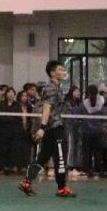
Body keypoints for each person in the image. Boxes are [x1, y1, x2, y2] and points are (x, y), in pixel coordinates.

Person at [19, 60, 75, 198]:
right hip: (54, 128)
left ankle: (26, 182)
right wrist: (42, 127)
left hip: (53, 128)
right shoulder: (51, 88)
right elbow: (46, 107)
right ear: (52, 73)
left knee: (42, 157)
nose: (63, 72)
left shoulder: (57, 87)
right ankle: (62, 188)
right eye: (60, 69)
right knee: (60, 157)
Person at [80, 84, 107, 178]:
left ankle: (87, 170)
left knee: (86, 152)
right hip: (98, 131)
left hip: (86, 131)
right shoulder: (101, 102)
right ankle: (99, 170)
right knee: (98, 152)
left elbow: (77, 112)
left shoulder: (84, 103)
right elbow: (104, 114)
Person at [0, 86, 22, 174]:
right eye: (9, 92)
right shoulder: (1, 104)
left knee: (14, 148)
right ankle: (2, 167)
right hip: (3, 130)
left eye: (12, 92)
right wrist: (8, 119)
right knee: (3, 148)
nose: (11, 94)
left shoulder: (17, 105)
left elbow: (18, 117)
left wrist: (10, 119)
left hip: (14, 131)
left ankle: (12, 166)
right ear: (6, 94)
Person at [64, 85, 84, 179]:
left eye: (79, 91)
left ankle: (74, 166)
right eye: (76, 91)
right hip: (69, 127)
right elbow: (68, 115)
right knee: (70, 147)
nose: (78, 93)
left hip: (77, 128)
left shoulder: (78, 103)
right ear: (71, 92)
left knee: (76, 148)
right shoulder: (67, 103)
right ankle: (69, 168)